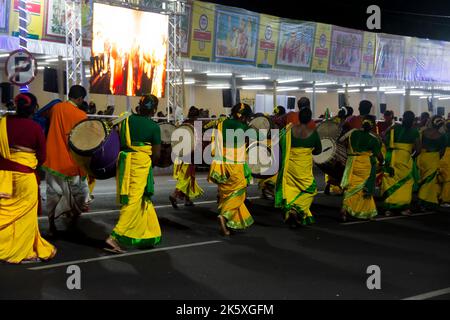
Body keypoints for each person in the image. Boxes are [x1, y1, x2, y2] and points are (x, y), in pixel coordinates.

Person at [0, 93, 56, 263]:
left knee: (4, 212)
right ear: (33, 108)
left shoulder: (3, 124)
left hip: (3, 176)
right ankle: (22, 252)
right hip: (25, 176)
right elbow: (42, 156)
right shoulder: (34, 128)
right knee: (24, 216)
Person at [105, 94, 162, 253]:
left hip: (124, 162)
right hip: (140, 164)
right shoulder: (153, 127)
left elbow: (109, 130)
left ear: (139, 105)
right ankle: (115, 236)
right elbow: (156, 155)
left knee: (141, 199)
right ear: (154, 110)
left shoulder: (125, 119)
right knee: (133, 201)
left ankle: (147, 235)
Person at [43, 85, 90, 236]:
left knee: (53, 193)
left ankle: (51, 226)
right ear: (80, 99)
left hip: (53, 160)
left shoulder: (55, 108)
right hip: (71, 163)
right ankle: (73, 223)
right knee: (79, 195)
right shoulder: (81, 115)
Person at [208, 103, 254, 236]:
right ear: (243, 116)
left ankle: (228, 222)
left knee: (226, 193)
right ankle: (225, 216)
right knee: (240, 191)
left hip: (222, 165)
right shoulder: (243, 127)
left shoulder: (222, 124)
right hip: (235, 165)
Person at [274, 107, 322, 227]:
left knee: (291, 189)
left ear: (299, 117)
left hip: (289, 166)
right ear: (310, 119)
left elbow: (279, 143)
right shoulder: (313, 133)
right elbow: (318, 151)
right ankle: (296, 210)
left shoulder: (289, 131)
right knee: (311, 189)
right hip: (304, 167)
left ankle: (290, 213)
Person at [339, 115, 383, 221]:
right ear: (371, 127)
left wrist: (350, 150)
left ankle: (344, 209)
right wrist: (383, 163)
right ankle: (366, 212)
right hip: (364, 165)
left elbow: (340, 140)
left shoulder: (353, 132)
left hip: (351, 163)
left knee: (351, 186)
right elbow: (379, 156)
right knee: (363, 188)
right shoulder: (373, 139)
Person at [381, 111, 421, 216]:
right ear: (413, 120)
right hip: (405, 158)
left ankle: (389, 208)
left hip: (391, 157)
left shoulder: (395, 129)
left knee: (390, 181)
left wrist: (390, 129)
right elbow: (418, 149)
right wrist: (411, 156)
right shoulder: (414, 132)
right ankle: (403, 207)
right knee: (406, 182)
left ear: (402, 118)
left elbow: (383, 137)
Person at [169, 106, 204, 208]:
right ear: (197, 116)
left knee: (188, 177)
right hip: (189, 155)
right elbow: (197, 142)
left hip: (180, 154)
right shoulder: (195, 125)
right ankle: (174, 195)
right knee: (186, 177)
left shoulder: (183, 124)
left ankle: (187, 200)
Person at [417, 116, 446, 210]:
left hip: (422, 157)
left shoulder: (424, 132)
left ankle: (424, 200)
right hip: (433, 158)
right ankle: (423, 201)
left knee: (423, 179)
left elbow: (419, 145)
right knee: (428, 182)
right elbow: (442, 151)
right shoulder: (441, 136)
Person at [439, 120, 450, 207]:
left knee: (440, 178)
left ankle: (438, 196)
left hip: (442, 156)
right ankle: (445, 199)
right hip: (447, 157)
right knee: (448, 179)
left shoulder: (443, 135)